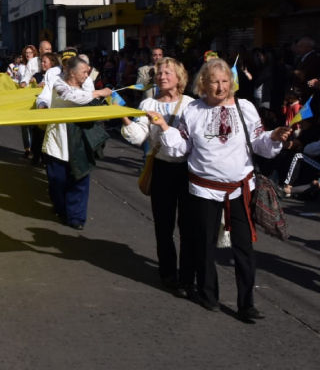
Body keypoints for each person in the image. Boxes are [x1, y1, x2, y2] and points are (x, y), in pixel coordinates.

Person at [151, 58, 290, 320]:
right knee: (203, 245)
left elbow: (259, 143)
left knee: (244, 248)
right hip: (204, 190)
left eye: (225, 81)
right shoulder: (193, 110)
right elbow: (182, 147)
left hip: (239, 190)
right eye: (214, 81)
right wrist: (164, 127)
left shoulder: (245, 107)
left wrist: (272, 137)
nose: (220, 87)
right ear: (203, 83)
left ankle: (246, 303)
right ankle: (208, 295)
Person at [121, 57, 195, 296]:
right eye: (159, 73)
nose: (162, 76)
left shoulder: (192, 105)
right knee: (163, 225)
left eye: (168, 72)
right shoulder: (148, 103)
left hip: (188, 171)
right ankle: (167, 273)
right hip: (161, 168)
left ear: (180, 77)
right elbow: (137, 137)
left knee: (188, 226)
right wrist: (123, 115)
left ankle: (187, 275)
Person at [38, 56, 113, 229]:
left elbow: (89, 99)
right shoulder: (57, 82)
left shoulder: (87, 85)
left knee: (80, 177)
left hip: (80, 138)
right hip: (58, 140)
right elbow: (71, 96)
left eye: (88, 72)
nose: (87, 75)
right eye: (84, 72)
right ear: (72, 72)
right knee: (57, 179)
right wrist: (97, 93)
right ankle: (62, 209)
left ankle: (77, 217)